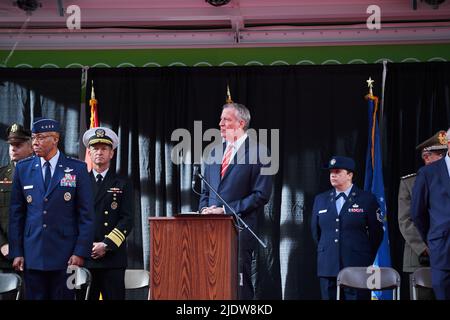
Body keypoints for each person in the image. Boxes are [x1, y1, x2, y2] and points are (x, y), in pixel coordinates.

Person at [8, 118, 94, 300]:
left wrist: (80, 252)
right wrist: (17, 252)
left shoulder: (77, 169)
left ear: (55, 139)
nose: (35, 142)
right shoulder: (23, 169)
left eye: (40, 137)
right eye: (33, 138)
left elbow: (86, 216)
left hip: (66, 256)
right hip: (32, 255)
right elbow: (16, 215)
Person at [199, 100, 273, 300]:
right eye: (221, 119)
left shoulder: (260, 152)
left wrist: (225, 210)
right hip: (209, 230)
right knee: (208, 280)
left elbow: (261, 195)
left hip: (239, 230)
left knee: (237, 283)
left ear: (241, 123)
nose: (220, 123)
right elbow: (206, 191)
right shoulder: (213, 152)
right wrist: (204, 210)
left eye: (226, 119)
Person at [311, 156, 384, 300]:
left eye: (338, 171)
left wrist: (364, 255)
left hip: (357, 264)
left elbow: (376, 233)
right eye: (331, 172)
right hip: (328, 266)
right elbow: (316, 232)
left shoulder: (367, 199)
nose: (333, 175)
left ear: (350, 175)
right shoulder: (321, 199)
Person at [80, 127, 133, 300]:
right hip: (84, 257)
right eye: (95, 148)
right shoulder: (79, 183)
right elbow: (73, 219)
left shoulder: (123, 183)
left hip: (112, 259)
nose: (99, 152)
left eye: (104, 148)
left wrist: (106, 244)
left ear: (111, 153)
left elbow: (127, 220)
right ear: (89, 152)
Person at [398, 130, 447, 299]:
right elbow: (406, 220)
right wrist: (427, 247)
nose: (444, 158)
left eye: (444, 154)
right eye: (439, 155)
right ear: (426, 157)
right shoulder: (410, 182)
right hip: (421, 256)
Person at [412, 128, 450, 300]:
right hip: (442, 248)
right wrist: (433, 236)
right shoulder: (428, 173)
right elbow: (417, 213)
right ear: (448, 144)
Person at [0, 123, 33, 299]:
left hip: (34, 256)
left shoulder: (42, 175)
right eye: (11, 145)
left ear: (30, 146)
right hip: (5, 257)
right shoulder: (0, 176)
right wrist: (2, 244)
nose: (13, 149)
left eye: (18, 144)